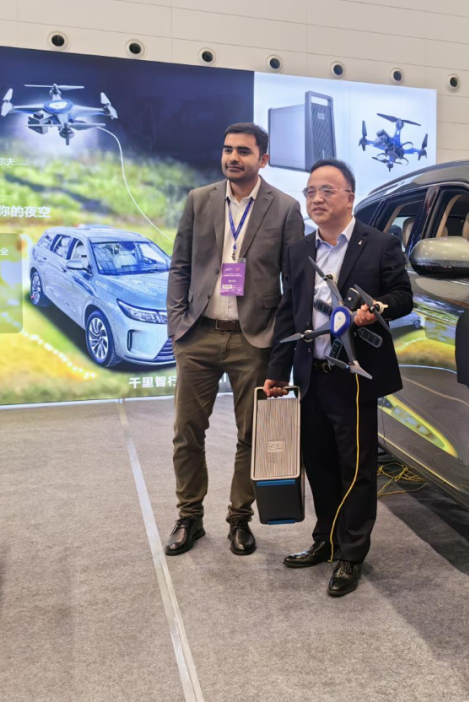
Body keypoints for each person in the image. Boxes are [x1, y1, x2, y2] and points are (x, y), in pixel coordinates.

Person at [264, 158, 413, 597]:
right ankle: (325, 540)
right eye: (310, 191)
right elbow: (288, 313)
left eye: (326, 190)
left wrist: (375, 309)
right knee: (320, 465)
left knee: (356, 469)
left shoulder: (380, 244)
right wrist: (277, 371)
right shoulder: (299, 251)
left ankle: (351, 553)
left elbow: (402, 296)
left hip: (353, 377)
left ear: (350, 197)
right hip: (311, 375)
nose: (316, 198)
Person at [165, 122, 305, 557]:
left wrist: (282, 348)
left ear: (263, 159)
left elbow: (294, 284)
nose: (232, 157)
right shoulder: (199, 199)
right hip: (199, 334)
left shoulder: (286, 208)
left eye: (243, 151)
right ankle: (189, 516)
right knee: (187, 433)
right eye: (228, 149)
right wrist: (177, 325)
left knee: (252, 436)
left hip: (254, 340)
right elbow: (180, 264)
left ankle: (239, 519)